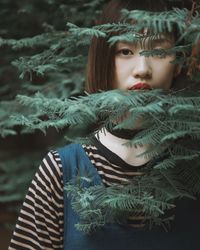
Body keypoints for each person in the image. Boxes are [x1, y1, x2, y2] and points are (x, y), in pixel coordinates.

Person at [9, 0, 199, 249]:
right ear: (105, 60)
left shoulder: (193, 167)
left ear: (178, 64)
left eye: (159, 52)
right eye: (126, 52)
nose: (142, 69)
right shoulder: (62, 170)